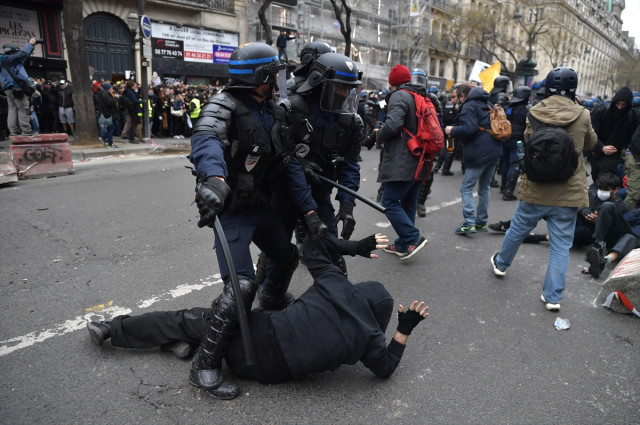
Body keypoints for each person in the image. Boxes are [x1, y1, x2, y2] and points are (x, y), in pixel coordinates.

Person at [86, 233, 430, 400]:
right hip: (260, 371)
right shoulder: (371, 337)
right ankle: (189, 345)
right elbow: (385, 369)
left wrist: (356, 246)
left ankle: (112, 329)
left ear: (359, 290)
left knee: (191, 318)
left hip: (255, 335)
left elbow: (310, 244)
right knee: (202, 331)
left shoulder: (336, 284)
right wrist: (404, 329)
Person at [187, 42, 325, 396]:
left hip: (260, 206)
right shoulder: (223, 106)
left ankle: (274, 298)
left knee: (286, 255)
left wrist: (309, 211)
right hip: (230, 211)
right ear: (262, 77)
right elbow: (206, 142)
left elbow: (290, 162)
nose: (279, 78)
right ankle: (205, 363)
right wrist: (214, 181)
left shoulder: (275, 109)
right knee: (241, 288)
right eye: (274, 72)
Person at [257, 51, 364, 303]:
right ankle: (271, 294)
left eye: (349, 89)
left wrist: (347, 206)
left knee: (330, 247)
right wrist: (300, 167)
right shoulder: (290, 111)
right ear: (319, 83)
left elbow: (350, 165)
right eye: (339, 88)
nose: (345, 95)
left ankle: (335, 303)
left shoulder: (350, 122)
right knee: (281, 250)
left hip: (319, 194)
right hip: (284, 193)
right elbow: (281, 159)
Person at [490, 67, 597, 311]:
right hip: (567, 191)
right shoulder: (583, 114)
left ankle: (501, 264)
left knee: (517, 230)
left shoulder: (534, 112)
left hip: (536, 187)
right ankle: (552, 297)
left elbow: (526, 144)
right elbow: (591, 142)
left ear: (547, 87)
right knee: (561, 246)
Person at [376, 64, 429, 260]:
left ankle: (412, 236)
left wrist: (378, 135)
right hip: (420, 156)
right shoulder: (420, 96)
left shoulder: (399, 96)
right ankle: (405, 244)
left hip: (403, 156)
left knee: (388, 201)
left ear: (392, 82)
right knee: (408, 203)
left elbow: (393, 125)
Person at [445, 85, 502, 235]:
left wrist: (452, 130)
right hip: (494, 150)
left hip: (479, 152)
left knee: (466, 187)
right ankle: (481, 222)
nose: (452, 100)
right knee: (484, 187)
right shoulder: (487, 103)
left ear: (462, 96)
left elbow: (469, 129)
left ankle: (469, 223)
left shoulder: (469, 105)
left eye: (454, 96)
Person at [589, 87, 638, 183]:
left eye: (623, 105)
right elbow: (591, 133)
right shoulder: (601, 111)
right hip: (597, 151)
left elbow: (632, 138)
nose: (620, 107)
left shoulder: (632, 116)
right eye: (618, 104)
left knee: (605, 181)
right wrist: (602, 147)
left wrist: (626, 154)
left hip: (616, 155)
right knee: (596, 178)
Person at [585, 201, 640, 278]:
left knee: (630, 237)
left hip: (634, 244)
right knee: (608, 206)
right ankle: (598, 247)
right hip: (621, 233)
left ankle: (602, 262)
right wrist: (600, 219)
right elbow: (626, 220)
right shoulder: (636, 212)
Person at [0, 38, 37, 136]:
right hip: (16, 88)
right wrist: (30, 43)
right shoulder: (8, 59)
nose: (17, 54)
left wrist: (31, 47)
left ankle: (13, 131)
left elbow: (23, 56)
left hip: (9, 89)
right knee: (23, 108)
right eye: (16, 52)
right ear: (11, 52)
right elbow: (22, 55)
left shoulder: (6, 61)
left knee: (12, 109)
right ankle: (26, 131)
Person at [501, 85, 531, 201]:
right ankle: (508, 192)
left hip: (505, 139)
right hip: (518, 142)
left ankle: (503, 187)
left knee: (505, 163)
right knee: (514, 165)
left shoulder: (508, 107)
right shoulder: (525, 111)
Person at [98, 83, 119, 149]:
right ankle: (109, 143)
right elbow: (111, 103)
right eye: (111, 88)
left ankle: (104, 138)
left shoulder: (104, 95)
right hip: (108, 114)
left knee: (111, 128)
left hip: (107, 114)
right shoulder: (106, 95)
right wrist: (116, 98)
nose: (112, 89)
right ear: (108, 89)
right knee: (111, 129)